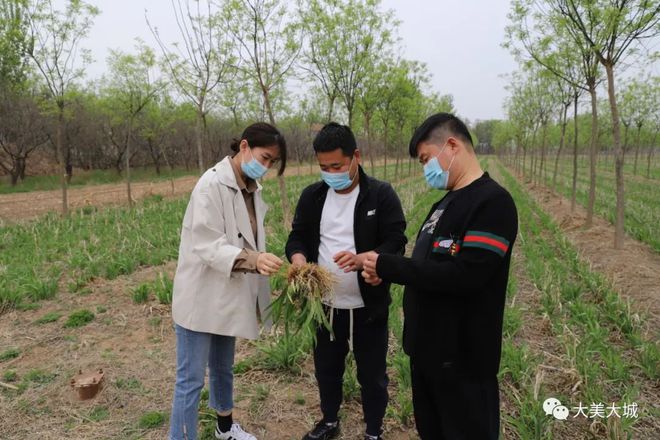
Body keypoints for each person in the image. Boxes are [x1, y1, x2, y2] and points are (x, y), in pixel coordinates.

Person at [362, 113, 518, 439]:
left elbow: (465, 276)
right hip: (427, 358)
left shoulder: (492, 202)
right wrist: (383, 269)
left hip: (464, 364)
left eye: (425, 159)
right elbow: (427, 268)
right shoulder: (443, 205)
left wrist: (388, 265)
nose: (425, 169)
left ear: (451, 145)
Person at [286, 122, 407, 440]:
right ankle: (328, 420)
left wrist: (368, 259)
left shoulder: (380, 195)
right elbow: (296, 238)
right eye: (324, 167)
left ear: (356, 156)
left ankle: (373, 432)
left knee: (372, 375)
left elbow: (396, 240)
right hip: (324, 307)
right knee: (327, 369)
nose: (330, 173)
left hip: (367, 307)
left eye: (337, 166)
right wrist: (298, 260)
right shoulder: (312, 197)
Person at [169, 122, 287, 440]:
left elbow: (247, 236)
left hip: (228, 292)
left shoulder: (251, 187)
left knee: (223, 368)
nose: (265, 167)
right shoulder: (210, 184)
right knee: (190, 381)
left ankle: (225, 428)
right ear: (244, 147)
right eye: (263, 157)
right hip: (201, 296)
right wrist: (254, 259)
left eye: (271, 162)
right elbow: (208, 244)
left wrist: (260, 258)